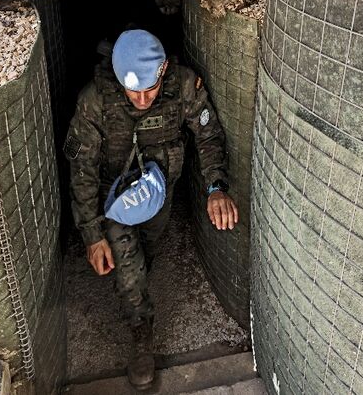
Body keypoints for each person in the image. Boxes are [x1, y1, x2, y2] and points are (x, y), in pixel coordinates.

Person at [64, 29, 238, 391]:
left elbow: (208, 136)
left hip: (159, 195)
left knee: (148, 250)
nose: (142, 100)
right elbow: (82, 173)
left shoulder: (184, 85)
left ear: (162, 73)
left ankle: (137, 283)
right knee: (129, 264)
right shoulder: (94, 101)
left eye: (150, 90)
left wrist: (215, 188)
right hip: (113, 199)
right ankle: (141, 335)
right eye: (133, 92)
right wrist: (93, 235)